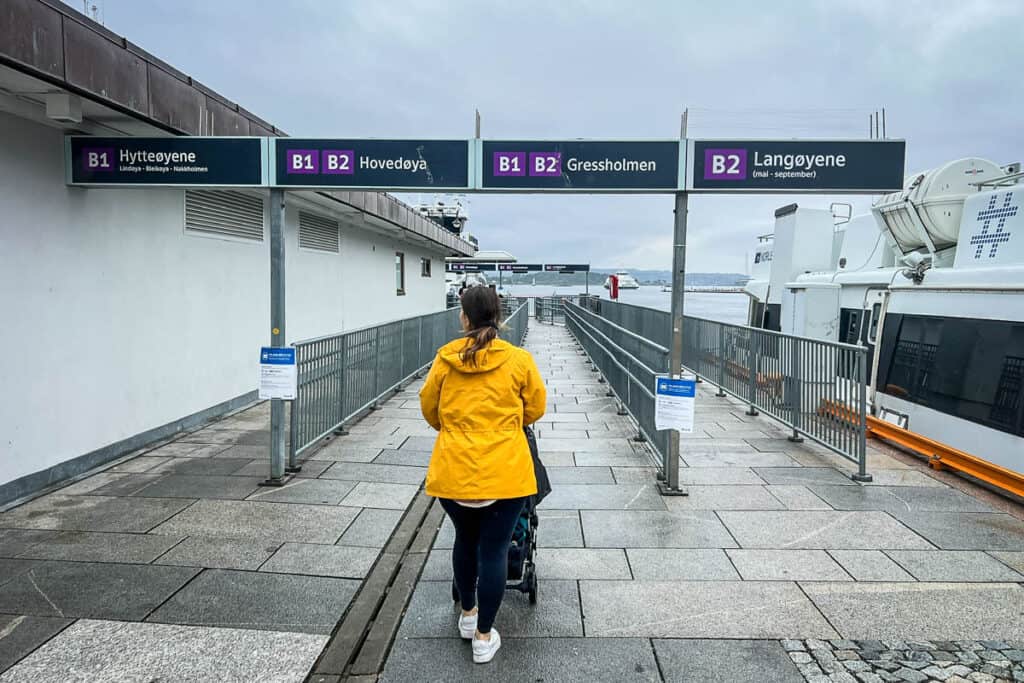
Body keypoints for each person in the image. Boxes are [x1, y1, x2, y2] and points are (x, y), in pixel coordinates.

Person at [419, 286, 547, 664]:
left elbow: (430, 408)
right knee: (494, 551)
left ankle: (467, 613)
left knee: (464, 540)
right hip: (505, 473)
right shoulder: (519, 360)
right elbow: (535, 407)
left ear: (464, 318)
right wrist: (507, 425)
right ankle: (483, 636)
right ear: (499, 316)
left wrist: (456, 428)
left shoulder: (446, 359)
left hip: (454, 471)